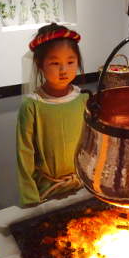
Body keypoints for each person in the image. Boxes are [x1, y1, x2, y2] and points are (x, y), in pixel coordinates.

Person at [16, 23, 89, 205]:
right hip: (47, 190)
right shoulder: (32, 105)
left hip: (82, 184)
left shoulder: (83, 99)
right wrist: (30, 196)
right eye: (55, 63)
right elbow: (24, 154)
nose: (64, 70)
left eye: (70, 62)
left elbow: (91, 144)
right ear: (40, 64)